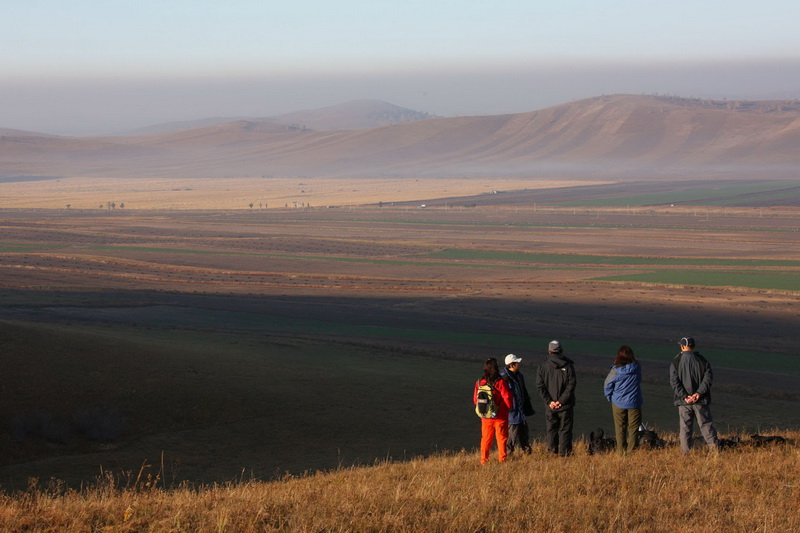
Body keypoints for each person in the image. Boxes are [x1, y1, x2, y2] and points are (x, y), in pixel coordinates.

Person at [669, 336, 719, 454]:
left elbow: (674, 381)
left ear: (682, 346)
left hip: (684, 402)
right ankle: (714, 450)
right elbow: (708, 379)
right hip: (700, 401)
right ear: (693, 346)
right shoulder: (702, 360)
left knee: (685, 428)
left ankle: (685, 453)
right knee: (706, 425)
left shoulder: (676, 361)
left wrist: (684, 396)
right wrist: (698, 393)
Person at [535, 340, 576, 456]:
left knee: (551, 429)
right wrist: (561, 401)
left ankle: (552, 452)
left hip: (550, 406)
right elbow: (571, 385)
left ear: (549, 351)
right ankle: (565, 454)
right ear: (561, 351)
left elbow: (540, 386)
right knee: (565, 430)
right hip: (566, 405)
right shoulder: (568, 366)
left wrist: (550, 402)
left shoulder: (542, 367)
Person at [603, 345, 643, 455]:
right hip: (634, 401)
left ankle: (621, 451)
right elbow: (639, 380)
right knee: (633, 428)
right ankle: (631, 452)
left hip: (618, 402)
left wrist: (609, 397)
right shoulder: (637, 367)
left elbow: (607, 384)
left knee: (620, 428)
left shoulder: (615, 371)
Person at [473, 357, 513, 465]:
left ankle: (484, 460)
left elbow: (475, 400)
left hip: (485, 416)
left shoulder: (480, 382)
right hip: (500, 416)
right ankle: (502, 459)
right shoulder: (501, 382)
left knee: (486, 438)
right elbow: (507, 397)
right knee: (502, 438)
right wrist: (509, 408)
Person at [500, 353, 535, 455]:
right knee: (512, 436)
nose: (519, 364)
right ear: (512, 365)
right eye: (517, 363)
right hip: (512, 413)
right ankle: (508, 455)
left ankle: (527, 453)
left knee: (524, 434)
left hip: (520, 412)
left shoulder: (519, 376)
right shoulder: (504, 379)